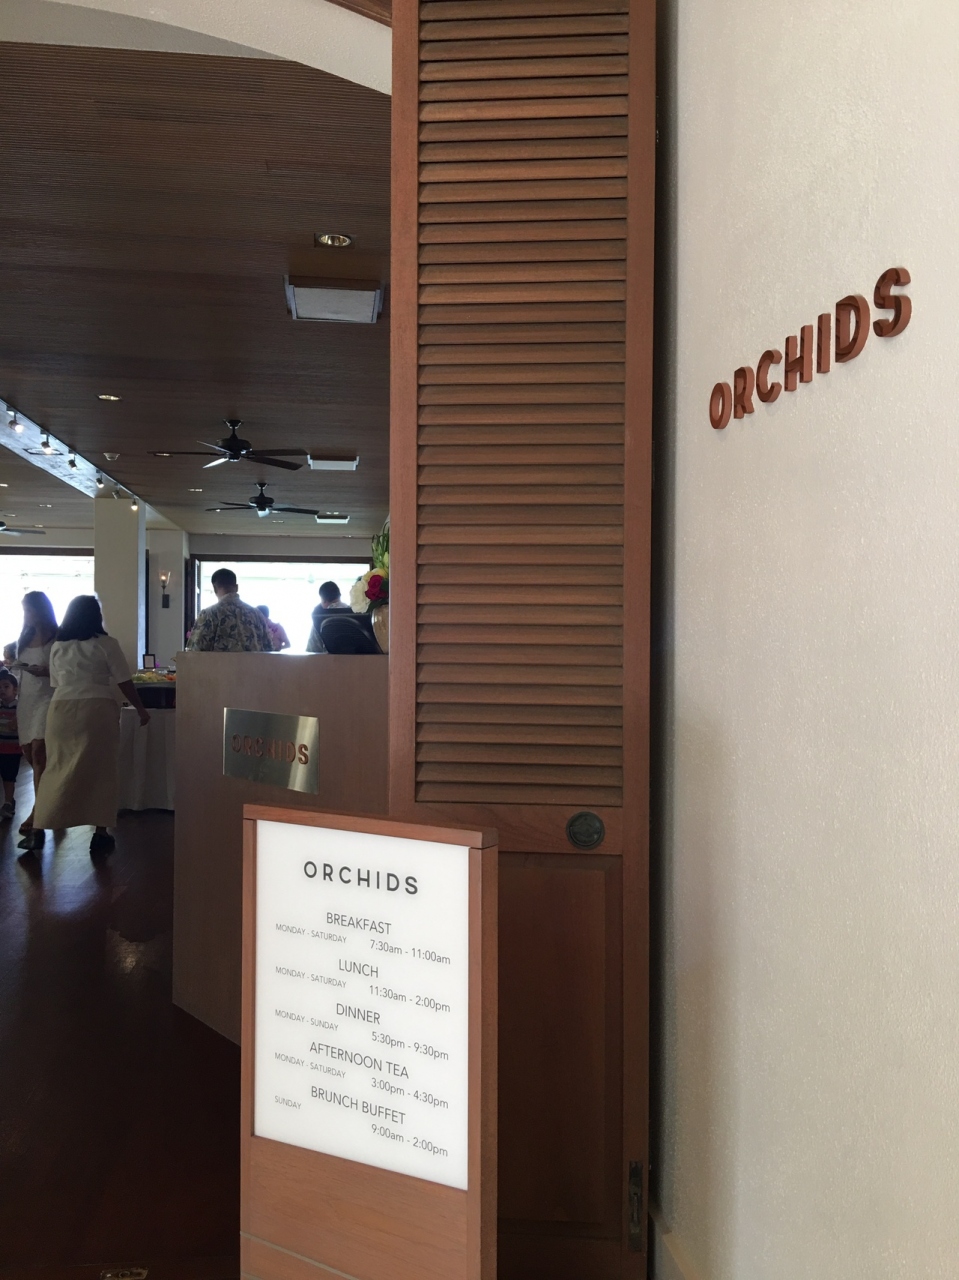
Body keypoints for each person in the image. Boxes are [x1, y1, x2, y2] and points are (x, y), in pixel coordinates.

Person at [23, 596, 150, 857]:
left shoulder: (59, 646)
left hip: (61, 708)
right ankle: (100, 832)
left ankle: (38, 828)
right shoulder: (106, 643)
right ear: (96, 615)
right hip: (97, 708)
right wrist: (140, 708)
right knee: (102, 769)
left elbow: (56, 682)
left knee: (56, 767)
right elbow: (124, 680)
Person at [12, 590, 57, 836]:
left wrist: (46, 671)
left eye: (29, 609)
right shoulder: (24, 637)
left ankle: (37, 812)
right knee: (29, 753)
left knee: (40, 750)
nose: (26, 614)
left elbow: (62, 669)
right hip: (26, 699)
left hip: (47, 697)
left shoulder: (57, 638)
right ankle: (52, 795)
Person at [187, 568, 273, 653]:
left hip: (219, 663)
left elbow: (195, 651)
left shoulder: (208, 614)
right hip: (253, 663)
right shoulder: (256, 614)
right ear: (236, 587)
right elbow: (269, 649)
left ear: (215, 588)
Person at [305, 581, 352, 654]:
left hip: (327, 660)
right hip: (355, 659)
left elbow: (312, 649)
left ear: (323, 600)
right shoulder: (353, 612)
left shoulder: (320, 618)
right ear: (339, 595)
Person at [0, 671, 22, 820]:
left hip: (12, 750)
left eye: (6, 686)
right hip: (1, 748)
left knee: (9, 777)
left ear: (15, 690)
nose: (2, 690)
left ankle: (8, 802)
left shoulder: (19, 709)